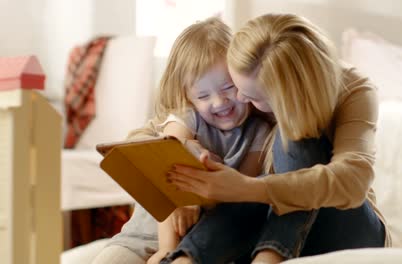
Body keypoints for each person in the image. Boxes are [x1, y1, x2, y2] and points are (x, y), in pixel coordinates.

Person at [167, 13, 391, 263]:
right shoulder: (248, 82)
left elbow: (353, 180)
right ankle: (186, 260)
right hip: (271, 227)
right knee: (257, 193)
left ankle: (268, 256)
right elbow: (160, 126)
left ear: (285, 95)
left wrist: (248, 188)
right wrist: (187, 164)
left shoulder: (355, 90)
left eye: (253, 97)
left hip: (346, 226)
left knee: (294, 136)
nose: (240, 99)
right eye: (235, 86)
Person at [91, 17, 270, 264]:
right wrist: (167, 247)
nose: (219, 102)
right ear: (188, 96)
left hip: (199, 243)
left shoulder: (259, 132)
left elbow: (242, 192)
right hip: (144, 235)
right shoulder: (188, 118)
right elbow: (163, 162)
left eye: (228, 87)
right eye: (204, 95)